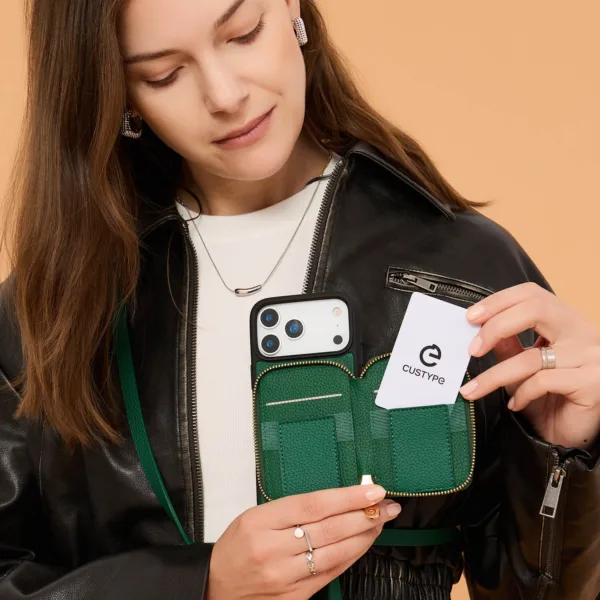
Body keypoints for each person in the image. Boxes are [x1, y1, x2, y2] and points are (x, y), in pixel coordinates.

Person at [0, 0, 598, 598]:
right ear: (118, 90)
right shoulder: (51, 314)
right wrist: (199, 584)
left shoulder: (455, 269)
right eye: (164, 74)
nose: (225, 95)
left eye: (243, 33)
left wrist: (569, 452)